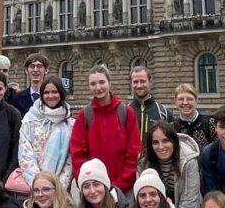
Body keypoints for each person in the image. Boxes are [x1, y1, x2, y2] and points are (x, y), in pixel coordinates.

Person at [70, 65, 142, 193]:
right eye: (93, 84)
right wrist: (87, 183)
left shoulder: (127, 113)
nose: (98, 88)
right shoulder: (84, 116)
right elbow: (78, 154)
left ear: (109, 83)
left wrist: (120, 185)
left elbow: (133, 153)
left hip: (122, 189)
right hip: (93, 190)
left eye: (102, 82)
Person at [17, 74, 73, 190]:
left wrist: (57, 189)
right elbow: (25, 155)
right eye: (46, 92)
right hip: (34, 188)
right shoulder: (29, 120)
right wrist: (40, 186)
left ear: (61, 93)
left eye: (54, 92)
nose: (50, 96)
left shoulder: (71, 124)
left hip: (61, 190)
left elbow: (70, 160)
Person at [137, 121, 201, 208]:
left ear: (174, 141)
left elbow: (190, 200)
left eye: (165, 141)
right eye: (155, 142)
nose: (161, 147)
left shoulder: (189, 161)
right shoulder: (143, 164)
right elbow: (143, 199)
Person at [129, 66, 169, 139]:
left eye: (142, 81)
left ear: (150, 82)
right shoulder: (124, 112)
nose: (139, 85)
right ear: (131, 84)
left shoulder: (164, 113)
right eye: (135, 82)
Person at [173, 83, 213, 150]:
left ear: (196, 100)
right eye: (181, 99)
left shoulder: (210, 123)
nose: (185, 103)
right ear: (175, 101)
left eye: (189, 99)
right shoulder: (172, 128)